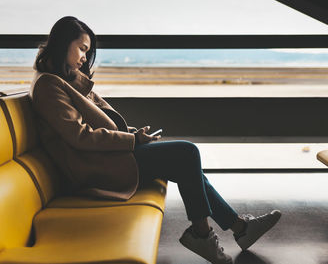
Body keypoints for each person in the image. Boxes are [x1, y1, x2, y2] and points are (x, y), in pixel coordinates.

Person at [30, 16, 281, 264]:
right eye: (82, 49)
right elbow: (80, 136)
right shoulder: (49, 85)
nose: (85, 57)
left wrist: (135, 135)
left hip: (107, 158)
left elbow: (95, 124)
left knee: (185, 162)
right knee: (186, 153)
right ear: (63, 43)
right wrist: (132, 141)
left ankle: (238, 229)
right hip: (96, 169)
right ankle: (206, 234)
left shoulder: (65, 81)